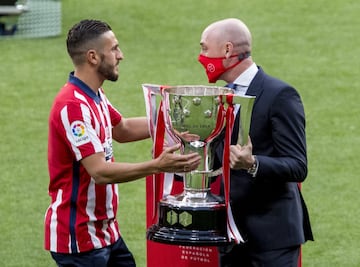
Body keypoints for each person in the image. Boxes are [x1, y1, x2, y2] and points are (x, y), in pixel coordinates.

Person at [44, 19, 201, 267]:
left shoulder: (94, 95)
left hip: (106, 233)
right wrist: (158, 165)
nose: (121, 55)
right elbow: (100, 172)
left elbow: (123, 129)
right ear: (93, 57)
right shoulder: (72, 106)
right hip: (80, 239)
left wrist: (174, 124)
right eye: (114, 49)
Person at [197, 18, 313, 267]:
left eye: (205, 48)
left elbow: (297, 165)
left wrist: (253, 163)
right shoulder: (220, 98)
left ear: (227, 50)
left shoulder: (280, 95)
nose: (201, 56)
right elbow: (218, 162)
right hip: (230, 235)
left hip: (273, 238)